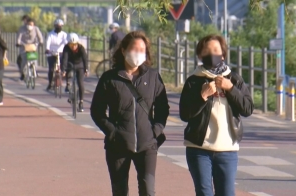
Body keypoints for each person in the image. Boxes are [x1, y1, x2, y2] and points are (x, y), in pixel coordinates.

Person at [90, 31, 170, 196]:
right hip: (118, 145)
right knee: (120, 191)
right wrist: (112, 132)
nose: (138, 53)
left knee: (148, 190)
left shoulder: (153, 77)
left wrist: (155, 130)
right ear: (124, 50)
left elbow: (163, 108)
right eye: (134, 48)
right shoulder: (109, 78)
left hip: (147, 145)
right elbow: (97, 110)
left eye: (142, 50)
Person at [179, 34, 254, 196]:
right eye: (207, 51)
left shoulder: (235, 79)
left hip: (227, 149)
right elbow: (185, 114)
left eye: (215, 50)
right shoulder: (194, 81)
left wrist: (231, 89)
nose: (211, 54)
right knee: (204, 192)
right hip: (199, 147)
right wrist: (202, 96)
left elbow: (247, 109)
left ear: (223, 54)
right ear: (200, 55)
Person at [61, 33, 88, 112]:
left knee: (80, 83)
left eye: (75, 44)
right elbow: (65, 59)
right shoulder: (66, 48)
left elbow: (85, 59)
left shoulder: (81, 48)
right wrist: (63, 70)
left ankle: (81, 102)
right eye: (71, 45)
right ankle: (68, 85)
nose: (73, 46)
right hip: (70, 65)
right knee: (68, 74)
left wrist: (86, 69)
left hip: (80, 66)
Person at [45, 19, 68, 91]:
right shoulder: (51, 34)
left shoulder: (64, 34)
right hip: (51, 52)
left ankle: (68, 84)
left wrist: (66, 48)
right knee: (51, 69)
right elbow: (48, 42)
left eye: (60, 26)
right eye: (57, 26)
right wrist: (47, 49)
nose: (58, 27)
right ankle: (50, 83)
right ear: (54, 26)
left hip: (61, 52)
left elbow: (66, 42)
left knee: (64, 68)